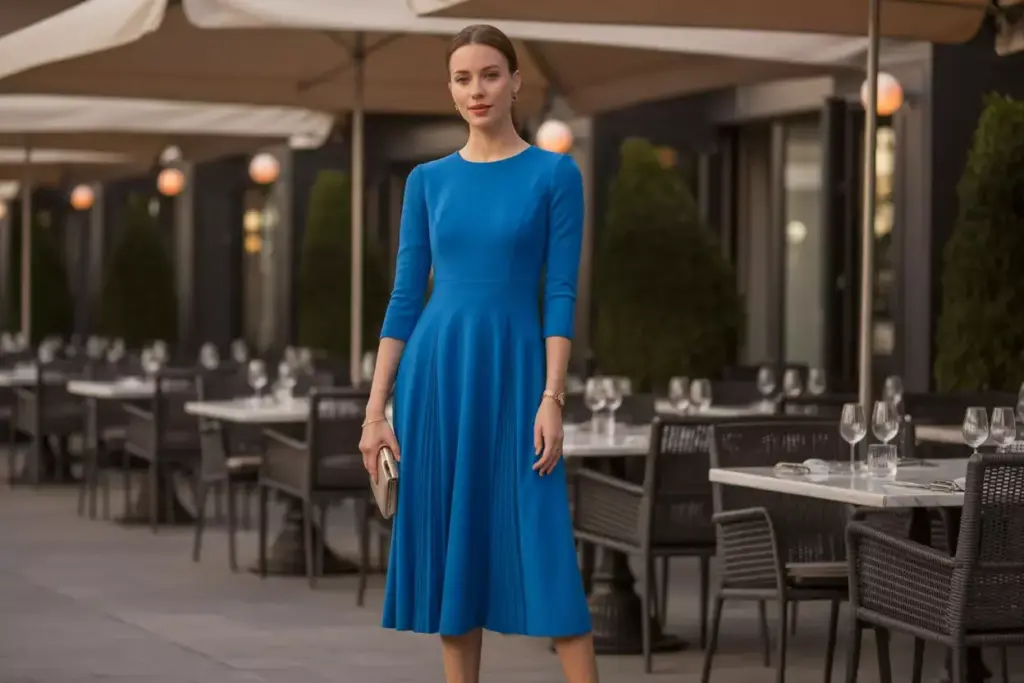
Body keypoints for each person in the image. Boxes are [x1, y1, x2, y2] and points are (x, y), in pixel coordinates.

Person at [358, 23, 598, 683]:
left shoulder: (555, 173)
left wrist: (553, 396)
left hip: (518, 373)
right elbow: (405, 298)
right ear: (450, 88)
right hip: (438, 376)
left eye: (489, 74)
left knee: (548, 553)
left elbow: (560, 294)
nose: (477, 89)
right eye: (463, 78)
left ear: (516, 81)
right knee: (455, 567)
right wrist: (375, 409)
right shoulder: (427, 181)